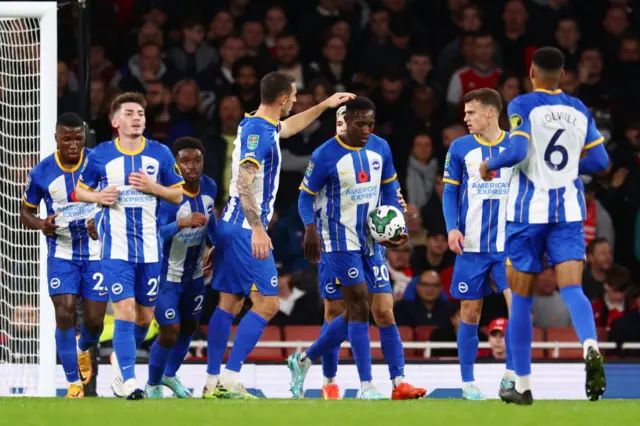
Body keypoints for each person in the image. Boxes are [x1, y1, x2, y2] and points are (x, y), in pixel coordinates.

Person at [202, 71, 354, 399]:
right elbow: (243, 181)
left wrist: (325, 105)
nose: (297, 100)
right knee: (268, 304)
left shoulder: (257, 123)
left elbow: (288, 127)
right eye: (295, 95)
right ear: (283, 97)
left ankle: (211, 380)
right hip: (246, 229)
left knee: (229, 303)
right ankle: (228, 379)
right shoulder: (259, 131)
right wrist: (257, 228)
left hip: (232, 226)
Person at [480, 46, 610, 405]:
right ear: (563, 76)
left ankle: (521, 385)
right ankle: (589, 346)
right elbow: (600, 159)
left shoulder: (522, 104)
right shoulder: (579, 109)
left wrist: (492, 162)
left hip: (527, 214)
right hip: (568, 211)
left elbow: (519, 152)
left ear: (532, 74)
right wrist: (567, 168)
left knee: (520, 302)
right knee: (573, 290)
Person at [288, 96, 425, 400]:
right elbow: (304, 196)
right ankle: (365, 386)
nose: (366, 129)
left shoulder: (381, 147)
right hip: (338, 241)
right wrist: (310, 227)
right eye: (360, 123)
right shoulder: (325, 154)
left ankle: (398, 382)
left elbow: (389, 189)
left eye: (370, 123)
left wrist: (395, 226)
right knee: (358, 306)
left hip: (370, 241)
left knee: (385, 312)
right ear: (346, 121)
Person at [76, 92, 185, 400]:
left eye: (140, 113)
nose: (136, 117)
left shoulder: (160, 153)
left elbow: (178, 195)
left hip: (151, 248)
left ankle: (119, 362)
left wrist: (153, 188)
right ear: (115, 121)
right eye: (129, 113)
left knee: (144, 318)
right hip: (115, 249)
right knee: (124, 310)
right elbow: (80, 192)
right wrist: (98, 197)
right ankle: (129, 379)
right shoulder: (101, 155)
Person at [20, 113, 107, 398]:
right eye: (67, 139)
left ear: (84, 138)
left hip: (96, 251)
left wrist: (102, 220)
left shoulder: (98, 162)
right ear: (56, 137)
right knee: (65, 311)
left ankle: (83, 348)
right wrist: (41, 224)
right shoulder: (42, 172)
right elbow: (26, 212)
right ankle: (73, 384)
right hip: (62, 251)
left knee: (94, 322)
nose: (73, 145)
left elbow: (113, 197)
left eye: (78, 139)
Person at [443, 88, 514, 400]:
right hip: (471, 246)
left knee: (520, 310)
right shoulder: (460, 147)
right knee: (470, 313)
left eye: (471, 113)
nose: (465, 118)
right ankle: (468, 383)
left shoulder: (516, 145)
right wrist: (451, 229)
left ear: (490, 113)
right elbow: (449, 192)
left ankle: (513, 377)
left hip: (508, 246)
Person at [145, 137, 218, 398]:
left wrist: (215, 244)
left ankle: (170, 375)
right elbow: (152, 234)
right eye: (184, 161)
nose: (192, 166)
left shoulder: (210, 186)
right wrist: (181, 223)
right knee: (170, 329)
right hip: (166, 275)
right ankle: (152, 383)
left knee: (189, 327)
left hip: (195, 274)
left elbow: (213, 221)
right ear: (175, 165)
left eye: (196, 160)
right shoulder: (166, 196)